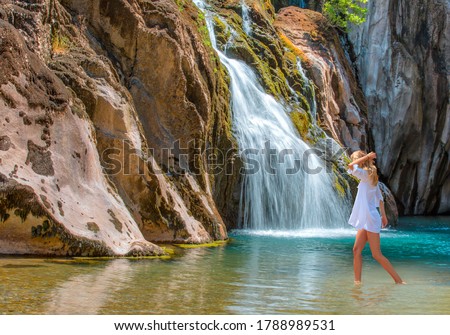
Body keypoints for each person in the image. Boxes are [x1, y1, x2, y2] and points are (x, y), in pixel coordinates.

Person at [347, 150, 404, 284]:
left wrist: (365, 157)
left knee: (376, 254)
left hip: (371, 219)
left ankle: (399, 281)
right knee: (356, 250)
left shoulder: (366, 175)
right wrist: (384, 216)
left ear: (361, 162)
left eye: (356, 160)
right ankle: (357, 282)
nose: (355, 162)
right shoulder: (370, 177)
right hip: (367, 218)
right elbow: (380, 199)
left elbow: (350, 166)